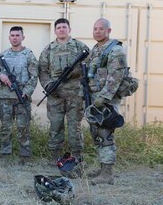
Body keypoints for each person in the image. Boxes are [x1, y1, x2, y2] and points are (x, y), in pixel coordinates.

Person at [38, 18, 89, 165]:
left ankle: (78, 158)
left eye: (64, 27)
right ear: (55, 31)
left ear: (69, 29)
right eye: (59, 27)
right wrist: (48, 85)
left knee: (75, 128)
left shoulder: (80, 47)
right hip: (55, 95)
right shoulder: (48, 50)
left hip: (75, 95)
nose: (61, 29)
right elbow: (42, 70)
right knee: (55, 126)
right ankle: (55, 157)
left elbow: (90, 67)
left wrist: (75, 72)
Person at [85, 18, 128, 185]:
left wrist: (102, 99)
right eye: (95, 28)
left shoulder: (115, 50)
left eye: (101, 29)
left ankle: (107, 174)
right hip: (95, 99)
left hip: (106, 101)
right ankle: (103, 168)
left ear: (108, 31)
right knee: (96, 133)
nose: (97, 31)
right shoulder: (96, 49)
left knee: (105, 134)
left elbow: (116, 77)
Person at [0, 26, 38, 164]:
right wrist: (0, 75)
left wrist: (27, 92)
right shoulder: (3, 55)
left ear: (22, 37)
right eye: (12, 35)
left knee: (23, 128)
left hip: (22, 97)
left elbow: (34, 76)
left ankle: (25, 155)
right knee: (5, 127)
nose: (15, 38)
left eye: (18, 35)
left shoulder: (29, 54)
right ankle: (5, 154)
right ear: (9, 37)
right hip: (6, 97)